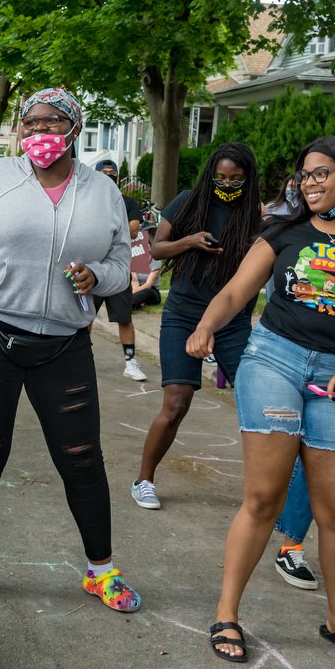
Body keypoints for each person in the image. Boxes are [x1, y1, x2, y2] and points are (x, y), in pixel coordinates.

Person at [191, 136, 335, 666]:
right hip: (276, 360)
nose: (309, 182)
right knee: (264, 498)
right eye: (305, 174)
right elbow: (233, 293)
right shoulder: (284, 232)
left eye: (321, 173)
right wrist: (205, 327)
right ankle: (227, 613)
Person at [0, 88, 140, 613]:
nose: (38, 132)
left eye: (51, 122)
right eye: (29, 123)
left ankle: (101, 571)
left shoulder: (103, 191)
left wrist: (96, 275)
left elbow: (124, 267)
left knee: (81, 458)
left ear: (75, 129)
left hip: (64, 343)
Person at [129, 143, 262, 510]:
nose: (227, 184)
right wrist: (189, 241)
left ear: (248, 179)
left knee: (256, 404)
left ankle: (265, 491)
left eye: (235, 179)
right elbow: (155, 250)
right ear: (210, 174)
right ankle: (143, 480)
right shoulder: (189, 200)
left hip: (232, 322)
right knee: (176, 402)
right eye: (220, 177)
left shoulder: (255, 215)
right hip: (184, 313)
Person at [92, 158, 149, 382]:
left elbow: (134, 229)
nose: (109, 175)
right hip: (94, 268)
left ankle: (130, 362)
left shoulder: (127, 202)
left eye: (112, 172)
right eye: (104, 172)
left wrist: (104, 229)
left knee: (124, 318)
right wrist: (119, 229)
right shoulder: (87, 200)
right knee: (85, 316)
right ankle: (82, 358)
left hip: (118, 268)